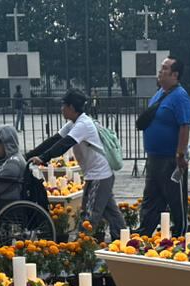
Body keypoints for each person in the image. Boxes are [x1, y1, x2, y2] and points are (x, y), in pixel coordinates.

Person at [27, 89, 124, 241]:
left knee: (89, 214)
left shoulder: (83, 124)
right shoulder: (73, 123)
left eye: (63, 105)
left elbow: (64, 144)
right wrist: (29, 155)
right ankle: (125, 240)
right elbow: (54, 140)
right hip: (99, 175)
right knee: (110, 212)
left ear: (71, 107)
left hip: (99, 175)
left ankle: (80, 247)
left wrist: (43, 158)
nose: (61, 109)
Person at [137, 56, 190, 236]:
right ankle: (144, 233)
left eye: (164, 69)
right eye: (160, 69)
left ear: (175, 74)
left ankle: (180, 234)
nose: (160, 72)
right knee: (151, 198)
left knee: (175, 200)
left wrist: (180, 154)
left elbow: (184, 125)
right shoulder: (159, 93)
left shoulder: (180, 96)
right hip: (154, 157)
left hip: (171, 159)